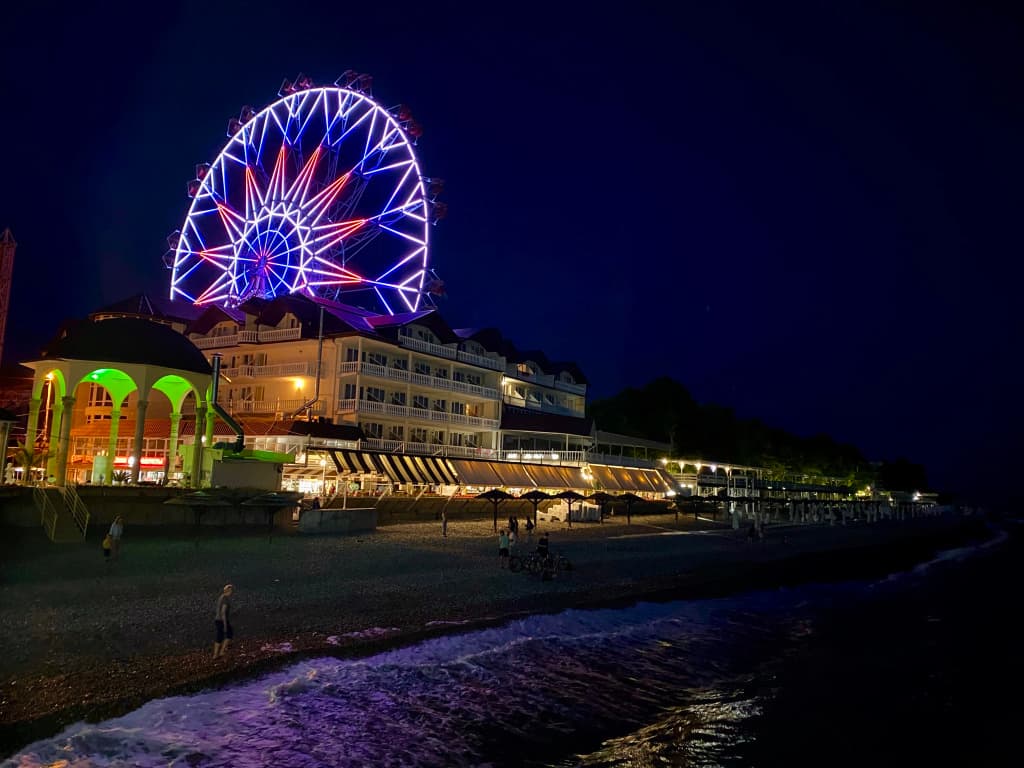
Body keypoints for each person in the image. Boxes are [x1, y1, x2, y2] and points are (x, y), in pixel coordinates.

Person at [213, 584, 234, 659]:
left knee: (219, 636)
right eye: (231, 590)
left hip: (217, 619)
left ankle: (216, 654)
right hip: (222, 620)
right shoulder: (225, 599)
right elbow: (223, 612)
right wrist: (225, 624)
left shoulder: (221, 597)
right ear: (229, 590)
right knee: (229, 634)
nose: (232, 592)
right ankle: (221, 652)